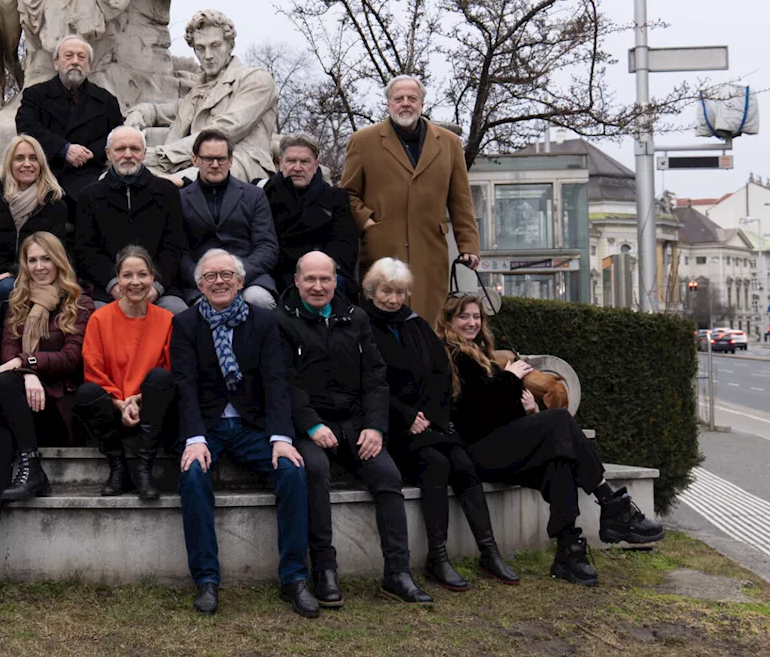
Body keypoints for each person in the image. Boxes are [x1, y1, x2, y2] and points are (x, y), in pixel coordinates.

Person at [437, 294, 665, 587]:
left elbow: (501, 412)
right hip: (476, 453)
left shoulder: (483, 353)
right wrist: (509, 379)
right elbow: (474, 413)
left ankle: (568, 550)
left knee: (558, 461)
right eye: (463, 317)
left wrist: (528, 409)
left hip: (500, 446)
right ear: (449, 320)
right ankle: (611, 504)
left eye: (476, 317)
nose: (471, 323)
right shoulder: (450, 356)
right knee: (558, 420)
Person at [277, 251, 432, 606]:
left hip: (356, 424)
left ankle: (397, 572)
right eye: (311, 279)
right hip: (311, 426)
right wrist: (311, 424)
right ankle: (325, 571)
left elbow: (376, 379)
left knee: (388, 475)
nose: (318, 286)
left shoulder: (355, 318)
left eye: (326, 279)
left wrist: (376, 428)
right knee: (314, 470)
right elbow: (285, 381)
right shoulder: (282, 321)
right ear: (297, 280)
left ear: (336, 281)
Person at [173, 249, 317, 618]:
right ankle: (207, 580)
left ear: (240, 281)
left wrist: (281, 438)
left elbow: (276, 381)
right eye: (210, 276)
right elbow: (184, 384)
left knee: (292, 471)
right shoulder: (186, 324)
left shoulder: (264, 322)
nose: (218, 281)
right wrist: (194, 439)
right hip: (209, 428)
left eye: (226, 275)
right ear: (200, 284)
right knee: (192, 476)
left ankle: (294, 578)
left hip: (254, 426)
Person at [360, 258, 518, 591]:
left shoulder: (416, 324)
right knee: (435, 463)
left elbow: (441, 373)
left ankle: (489, 552)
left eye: (400, 292)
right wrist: (406, 416)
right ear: (373, 291)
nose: (393, 299)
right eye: (386, 291)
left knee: (461, 462)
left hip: (429, 421)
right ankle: (438, 557)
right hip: (393, 426)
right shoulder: (361, 325)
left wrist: (429, 414)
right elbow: (367, 382)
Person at [0, 231, 94, 564]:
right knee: (8, 412)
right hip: (24, 408)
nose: (39, 266)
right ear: (24, 265)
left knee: (10, 393)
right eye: (32, 260)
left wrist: (27, 365)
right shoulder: (18, 303)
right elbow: (7, 357)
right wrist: (26, 374)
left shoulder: (79, 302)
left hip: (59, 410)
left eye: (45, 259)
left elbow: (71, 359)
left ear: (58, 261)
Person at [341, 75, 479, 319]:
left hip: (430, 250)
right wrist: (369, 222)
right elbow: (348, 194)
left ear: (422, 104)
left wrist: (468, 245)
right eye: (399, 98)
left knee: (430, 321)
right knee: (382, 316)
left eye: (412, 98)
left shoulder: (449, 144)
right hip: (382, 247)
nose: (405, 103)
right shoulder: (362, 142)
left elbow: (461, 201)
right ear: (389, 104)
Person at [0, 135, 67, 429]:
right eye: (20, 158)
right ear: (9, 162)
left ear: (41, 163)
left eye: (33, 158)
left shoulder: (54, 203)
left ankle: (18, 403)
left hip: (35, 285)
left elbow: (56, 254)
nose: (27, 164)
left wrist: (11, 273)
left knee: (5, 299)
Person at [126, 9, 277, 184]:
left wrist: (161, 155)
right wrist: (137, 118)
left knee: (159, 187)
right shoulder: (197, 92)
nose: (208, 56)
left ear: (230, 46)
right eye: (200, 48)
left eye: (215, 45)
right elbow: (157, 111)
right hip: (192, 163)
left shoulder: (256, 79)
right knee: (118, 177)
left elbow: (223, 132)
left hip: (237, 162)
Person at [75, 245, 175, 500]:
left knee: (162, 379)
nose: (135, 282)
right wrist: (121, 404)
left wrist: (136, 399)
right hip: (112, 408)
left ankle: (143, 468)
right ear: (118, 280)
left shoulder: (166, 319)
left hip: (149, 408)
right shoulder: (100, 318)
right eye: (127, 275)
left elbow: (167, 367)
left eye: (142, 275)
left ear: (153, 277)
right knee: (87, 392)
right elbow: (93, 370)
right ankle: (118, 467)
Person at [74, 126, 188, 313]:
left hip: (159, 287)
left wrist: (154, 286)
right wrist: (114, 284)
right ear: (109, 154)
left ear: (143, 153)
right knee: (95, 316)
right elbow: (86, 249)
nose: (128, 155)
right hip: (107, 288)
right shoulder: (89, 196)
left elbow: (174, 246)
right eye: (120, 149)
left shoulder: (167, 192)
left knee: (178, 313)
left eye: (135, 149)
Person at [16, 35, 125, 216]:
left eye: (81, 57)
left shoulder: (106, 101)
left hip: (89, 176)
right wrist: (64, 149)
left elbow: (117, 135)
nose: (75, 62)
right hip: (44, 175)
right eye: (69, 56)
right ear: (56, 63)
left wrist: (90, 153)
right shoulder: (35, 95)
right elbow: (26, 127)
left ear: (89, 66)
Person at [178, 130, 278, 310]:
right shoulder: (180, 199)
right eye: (208, 158)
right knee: (201, 309)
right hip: (200, 283)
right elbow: (178, 250)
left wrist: (237, 276)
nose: (215, 165)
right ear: (195, 160)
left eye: (221, 159)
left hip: (248, 278)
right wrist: (201, 277)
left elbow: (267, 246)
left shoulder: (254, 195)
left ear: (230, 160)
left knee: (259, 300)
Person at [263, 132, 358, 299]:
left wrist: (314, 273)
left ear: (316, 165)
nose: (297, 168)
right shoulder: (264, 195)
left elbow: (344, 247)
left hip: (322, 274)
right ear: (280, 163)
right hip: (277, 273)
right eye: (291, 161)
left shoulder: (335, 198)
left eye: (304, 161)